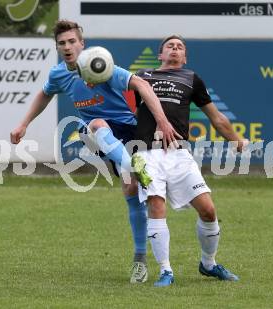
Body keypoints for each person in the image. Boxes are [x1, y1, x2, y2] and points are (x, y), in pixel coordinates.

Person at [10, 20, 181, 284]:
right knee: (94, 125)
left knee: (131, 190)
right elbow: (44, 94)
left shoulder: (101, 65)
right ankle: (133, 164)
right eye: (62, 43)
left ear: (82, 44)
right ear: (57, 47)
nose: (67, 47)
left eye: (71, 42)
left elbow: (142, 86)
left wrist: (161, 121)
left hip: (127, 130)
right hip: (98, 133)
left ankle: (139, 259)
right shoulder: (58, 74)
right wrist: (23, 124)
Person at [134, 35, 247, 287]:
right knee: (156, 205)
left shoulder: (191, 79)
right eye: (170, 46)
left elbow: (217, 118)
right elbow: (126, 111)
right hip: (145, 153)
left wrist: (236, 140)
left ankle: (208, 264)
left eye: (180, 47)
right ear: (160, 55)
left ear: (184, 57)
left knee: (208, 210)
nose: (175, 49)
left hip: (178, 154)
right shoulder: (141, 77)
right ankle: (166, 271)